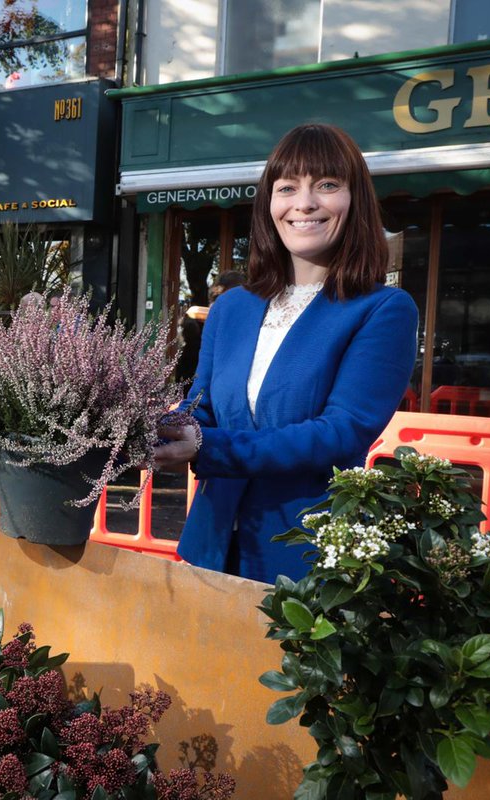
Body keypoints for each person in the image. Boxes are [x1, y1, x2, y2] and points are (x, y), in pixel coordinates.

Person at [155, 123, 418, 584]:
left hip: (305, 554)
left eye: (327, 185)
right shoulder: (233, 307)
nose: (305, 203)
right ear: (268, 204)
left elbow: (341, 433)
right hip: (212, 542)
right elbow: (204, 408)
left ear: (355, 201)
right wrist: (142, 425)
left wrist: (204, 445)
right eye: (287, 187)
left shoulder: (383, 309)